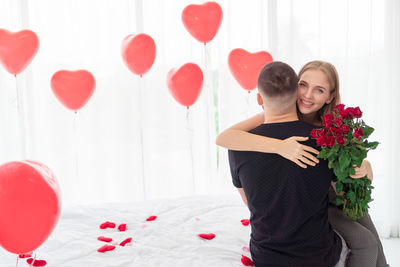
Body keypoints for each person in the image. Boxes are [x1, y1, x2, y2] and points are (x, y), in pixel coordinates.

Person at [218, 60, 388, 267]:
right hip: (314, 199)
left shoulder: (330, 132)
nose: (307, 95)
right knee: (364, 240)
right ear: (293, 87)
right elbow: (225, 138)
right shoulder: (270, 114)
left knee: (364, 225)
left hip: (328, 195)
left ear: (329, 97)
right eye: (303, 85)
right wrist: (279, 146)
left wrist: (366, 170)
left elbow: (349, 188)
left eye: (319, 90)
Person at [228, 61, 346, 266]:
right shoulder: (326, 142)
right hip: (320, 258)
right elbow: (343, 198)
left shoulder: (237, 145)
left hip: (266, 258)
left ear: (258, 98)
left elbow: (251, 204)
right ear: (296, 95)